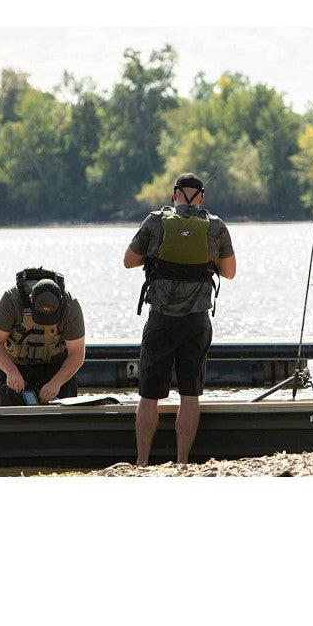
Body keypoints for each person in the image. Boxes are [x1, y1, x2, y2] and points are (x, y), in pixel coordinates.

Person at [123, 173, 236, 465]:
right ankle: (183, 461)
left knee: (149, 395)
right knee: (190, 393)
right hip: (197, 321)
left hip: (161, 319)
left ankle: (142, 462)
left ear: (174, 195)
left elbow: (129, 261)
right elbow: (230, 272)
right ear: (201, 197)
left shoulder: (155, 221)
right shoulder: (216, 226)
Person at [0, 267, 86, 406]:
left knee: (63, 414)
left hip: (55, 365)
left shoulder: (70, 306)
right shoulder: (11, 300)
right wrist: (11, 372)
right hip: (14, 363)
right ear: (31, 299)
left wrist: (56, 383)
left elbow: (77, 354)